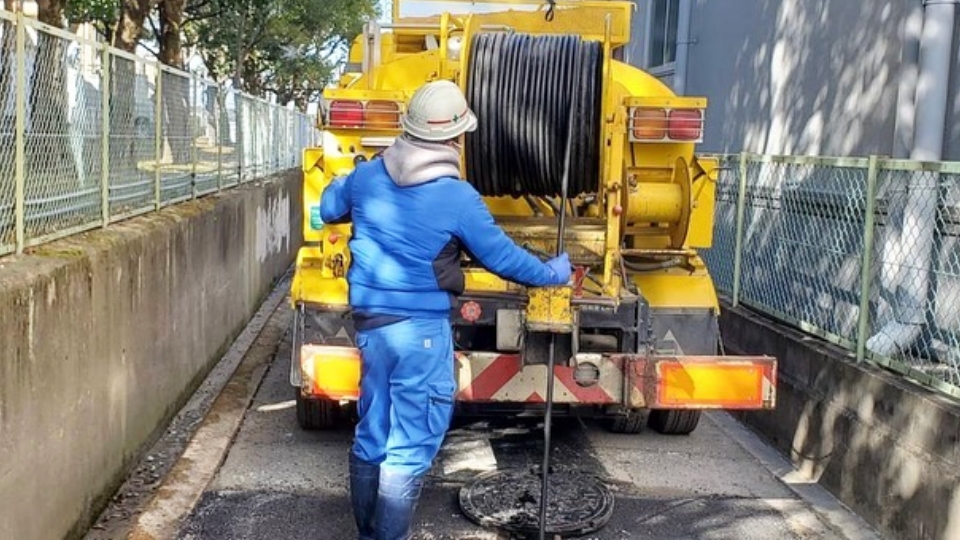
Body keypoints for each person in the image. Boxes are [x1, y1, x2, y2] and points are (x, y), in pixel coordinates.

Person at [319, 79, 571, 540]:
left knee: (374, 431)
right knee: (410, 446)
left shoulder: (369, 175)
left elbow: (327, 207)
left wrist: (352, 178)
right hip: (421, 334)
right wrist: (553, 273)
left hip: (372, 327)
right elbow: (503, 259)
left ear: (409, 128)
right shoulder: (457, 198)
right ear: (456, 138)